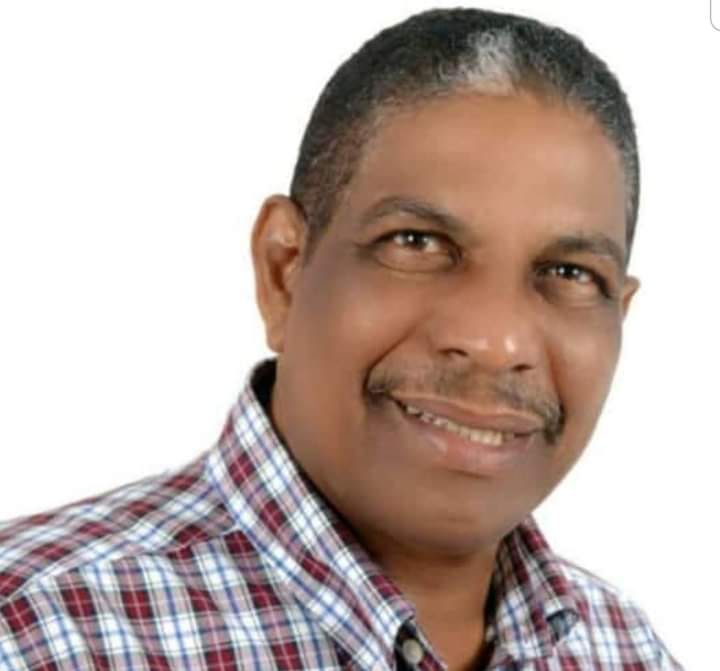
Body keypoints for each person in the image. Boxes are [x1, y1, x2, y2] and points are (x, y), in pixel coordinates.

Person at [0, 7, 683, 670]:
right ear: (284, 270)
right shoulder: (35, 632)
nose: (494, 339)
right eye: (416, 243)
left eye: (569, 273)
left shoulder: (623, 649)